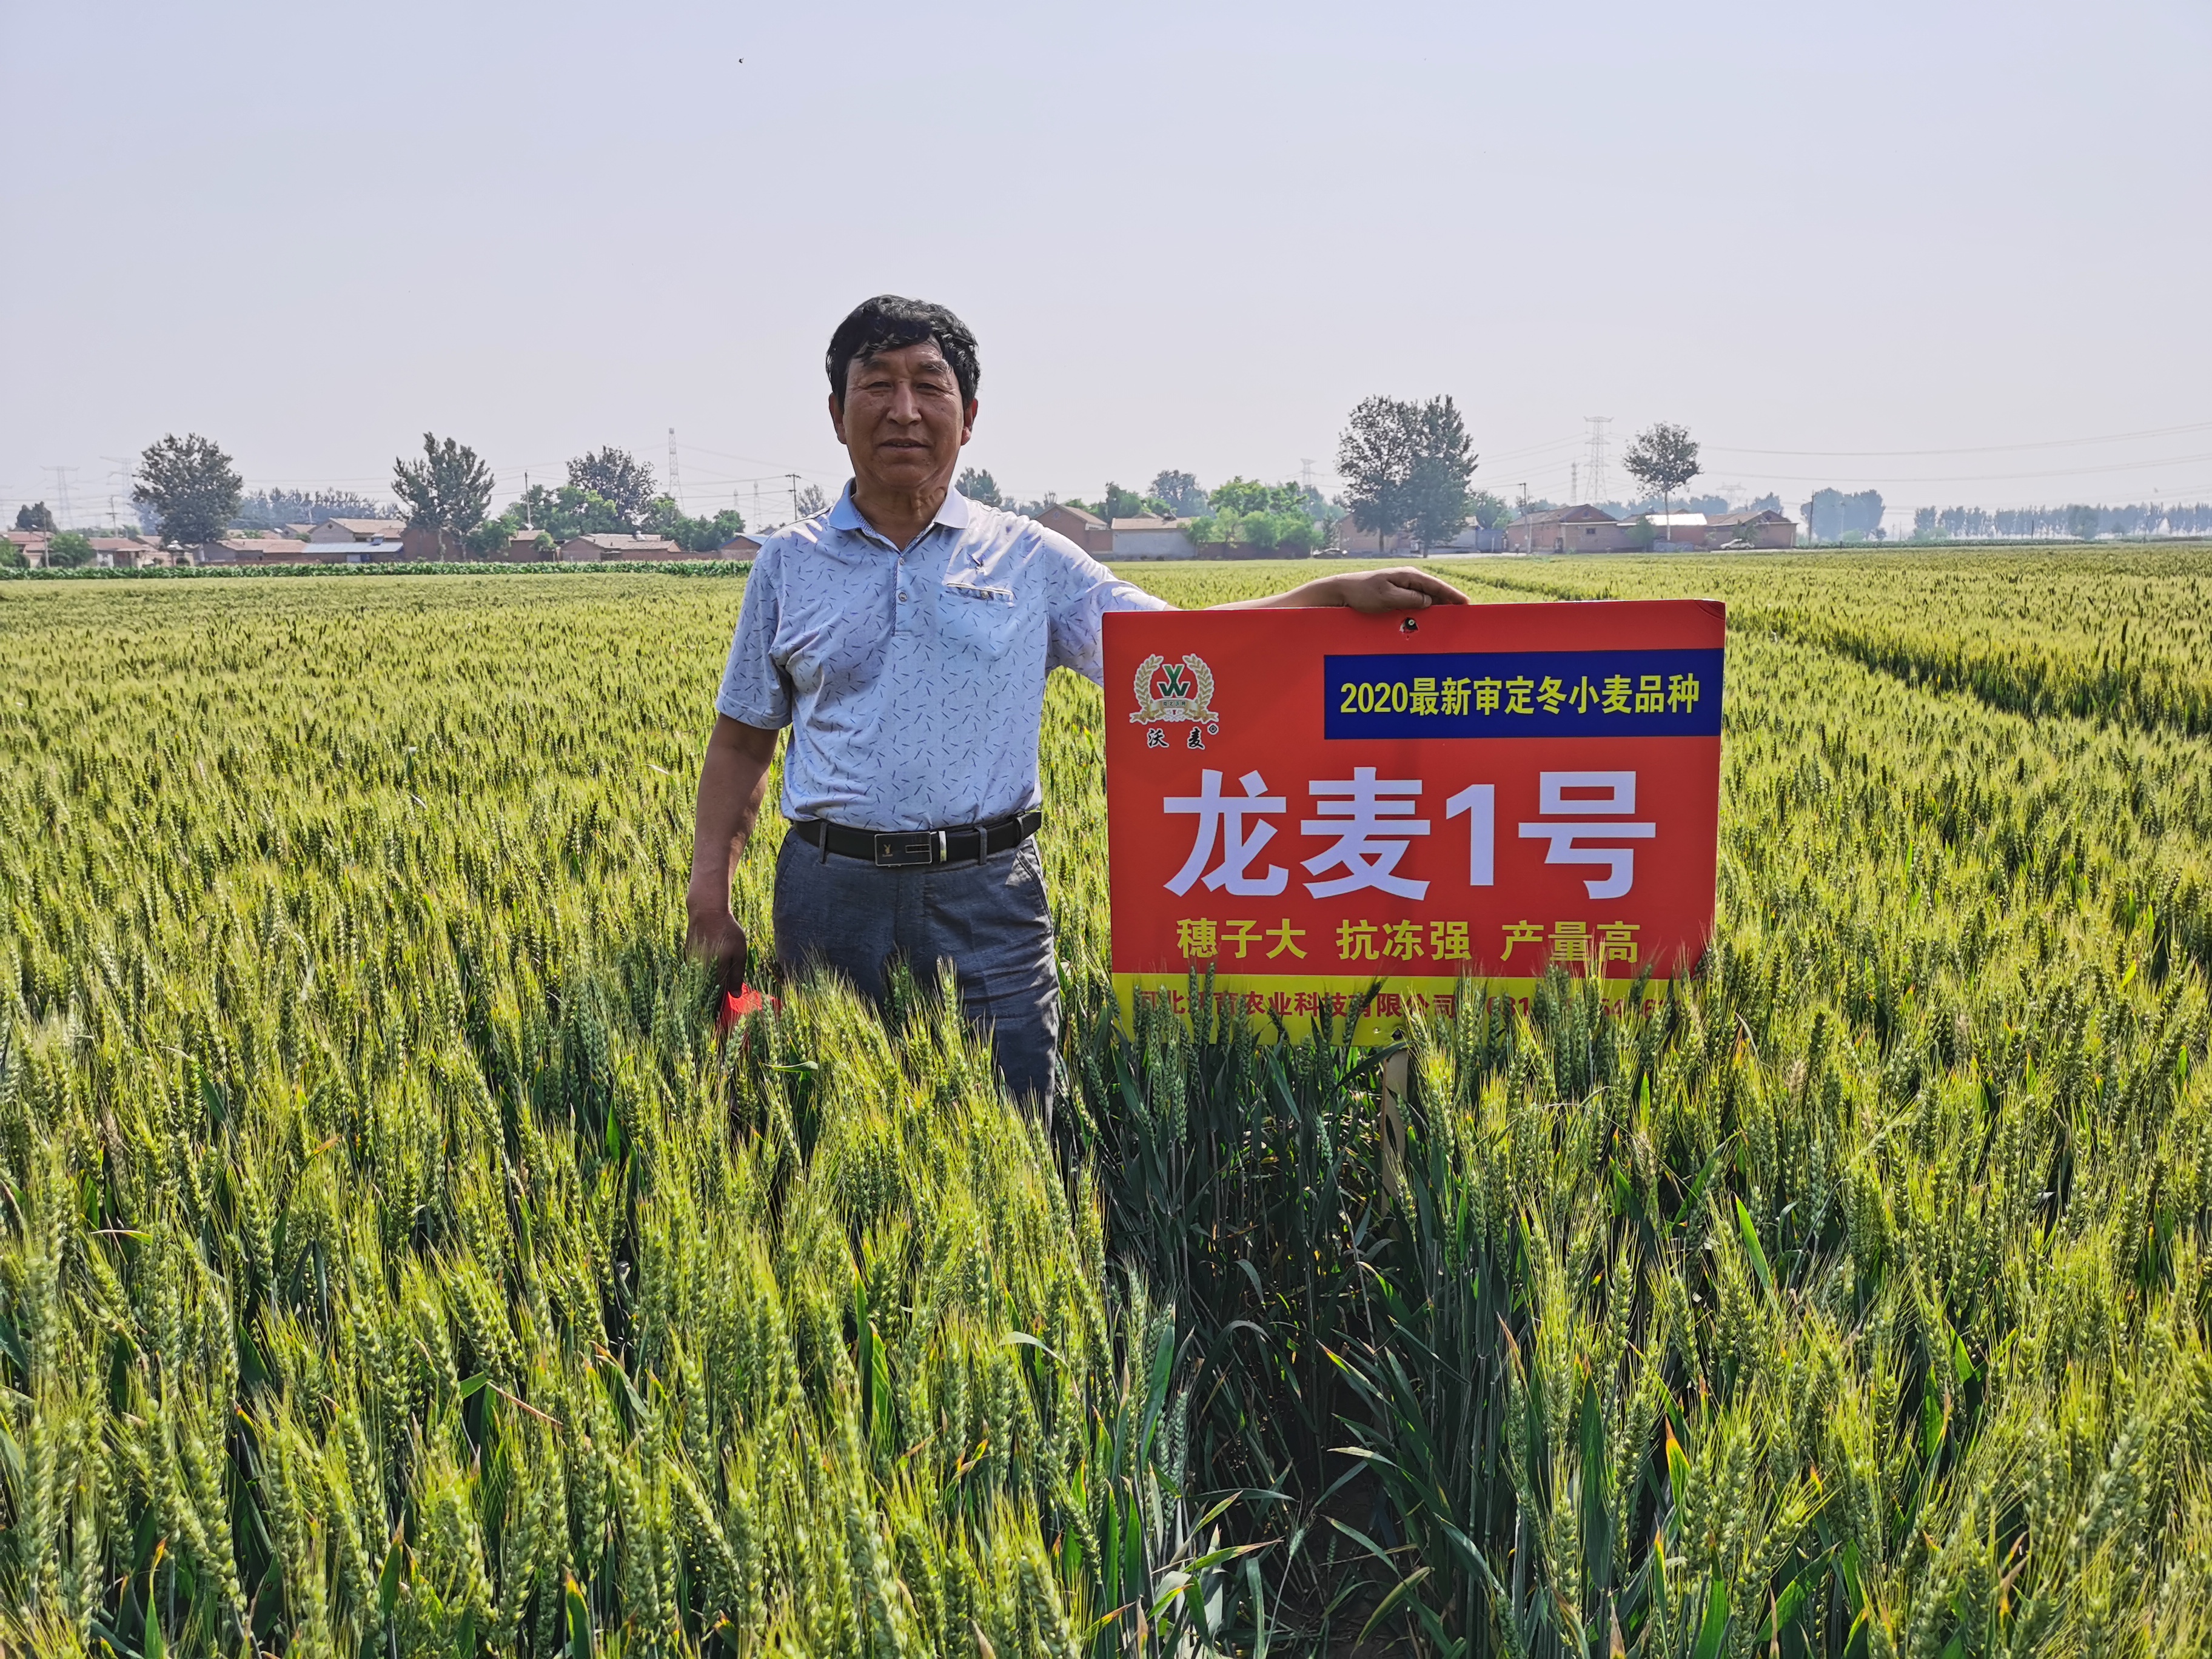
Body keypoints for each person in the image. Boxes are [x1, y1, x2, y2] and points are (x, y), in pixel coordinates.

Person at [687, 295, 1466, 1119]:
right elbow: (742, 742)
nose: (904, 410)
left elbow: (1173, 653)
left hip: (987, 893)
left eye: (929, 383)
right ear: (838, 414)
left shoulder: (1030, 557)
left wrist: (1327, 596)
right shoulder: (788, 564)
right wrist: (711, 896)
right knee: (839, 1137)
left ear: (971, 414)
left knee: (1022, 1125)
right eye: (876, 385)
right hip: (829, 891)